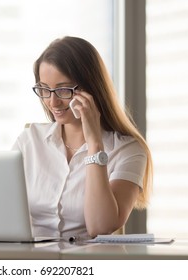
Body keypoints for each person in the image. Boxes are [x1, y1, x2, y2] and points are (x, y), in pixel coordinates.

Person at [13, 36, 153, 239]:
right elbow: (2, 209)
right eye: (44, 89)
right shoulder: (29, 140)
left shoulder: (128, 151)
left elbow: (100, 227)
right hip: (28, 260)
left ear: (91, 88)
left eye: (63, 90)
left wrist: (95, 144)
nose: (53, 102)